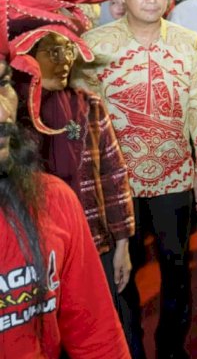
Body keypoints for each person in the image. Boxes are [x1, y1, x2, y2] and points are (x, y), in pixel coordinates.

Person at [72, 0, 197, 359]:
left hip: (175, 175)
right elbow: (86, 121)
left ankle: (171, 347)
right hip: (118, 184)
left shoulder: (186, 41)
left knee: (176, 268)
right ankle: (130, 345)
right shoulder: (98, 46)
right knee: (123, 272)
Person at [0, 0, 129, 358]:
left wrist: (122, 239)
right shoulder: (22, 124)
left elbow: (96, 338)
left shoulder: (54, 202)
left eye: (2, 84)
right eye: (49, 52)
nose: (1, 110)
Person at [15, 30, 140, 356]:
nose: (65, 60)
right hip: (32, 249)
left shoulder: (89, 106)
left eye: (69, 50)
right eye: (53, 52)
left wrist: (122, 243)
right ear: (27, 59)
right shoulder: (12, 118)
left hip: (92, 241)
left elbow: (113, 174)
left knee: (97, 331)